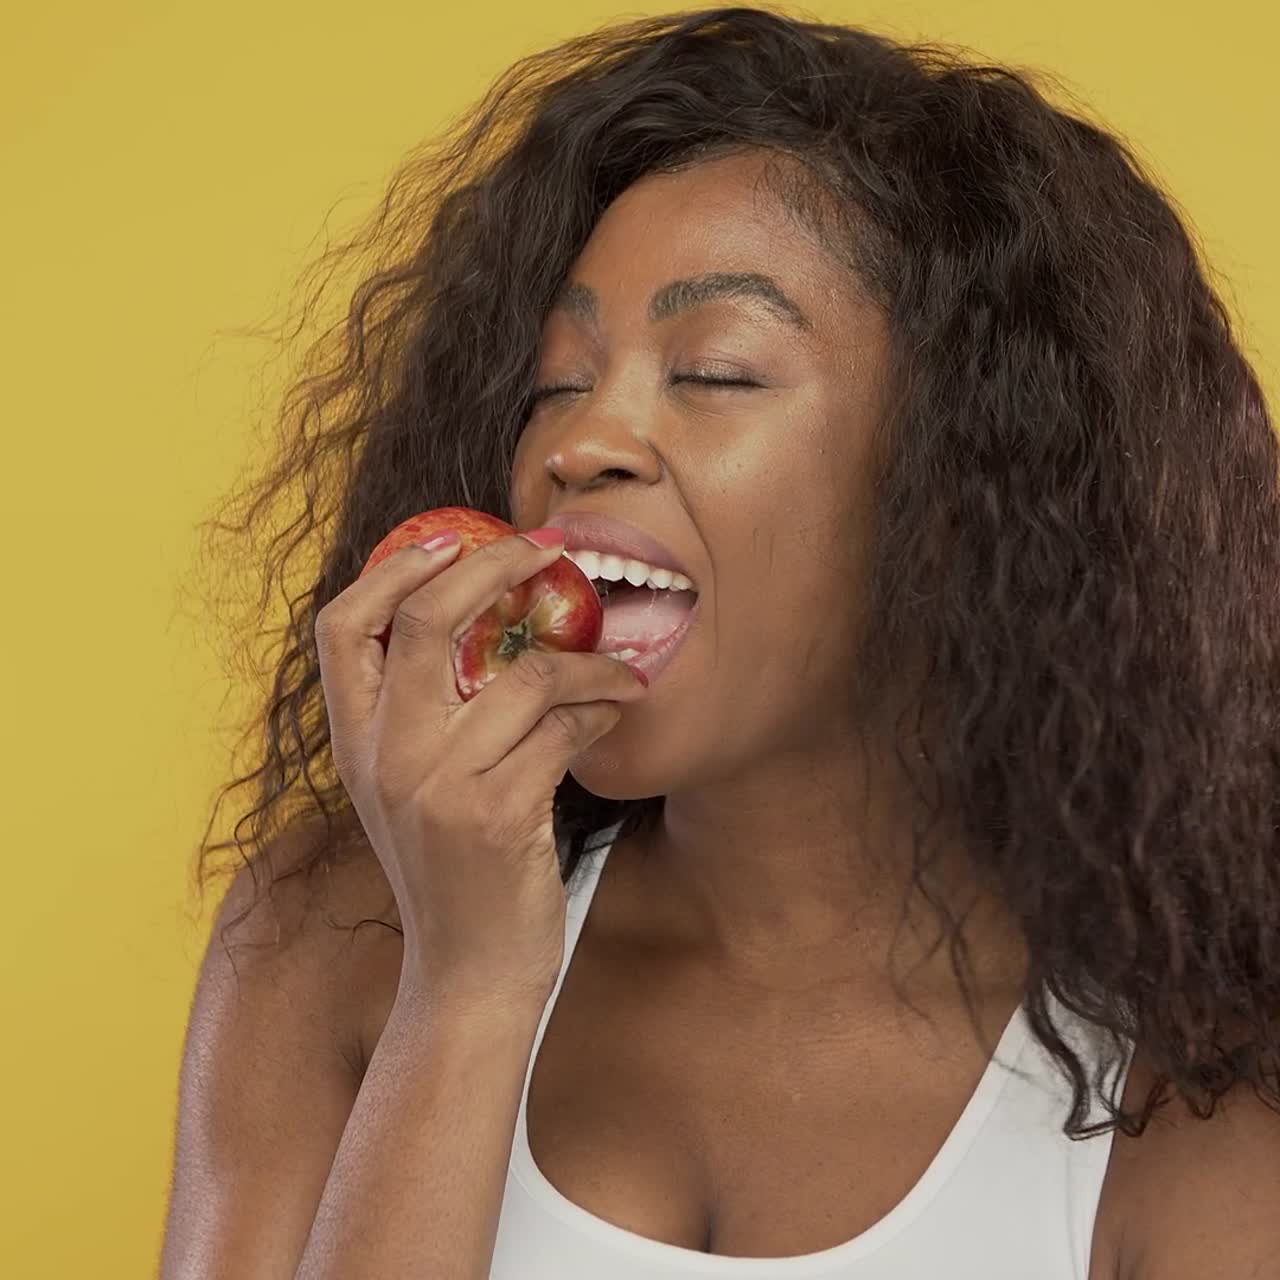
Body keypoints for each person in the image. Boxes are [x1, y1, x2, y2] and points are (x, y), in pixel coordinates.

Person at [159, 7, 1280, 1278]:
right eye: (556, 381)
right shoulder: (339, 933)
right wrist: (464, 988)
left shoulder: (1193, 1088)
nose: (578, 443)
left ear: (962, 484)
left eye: (716, 372)